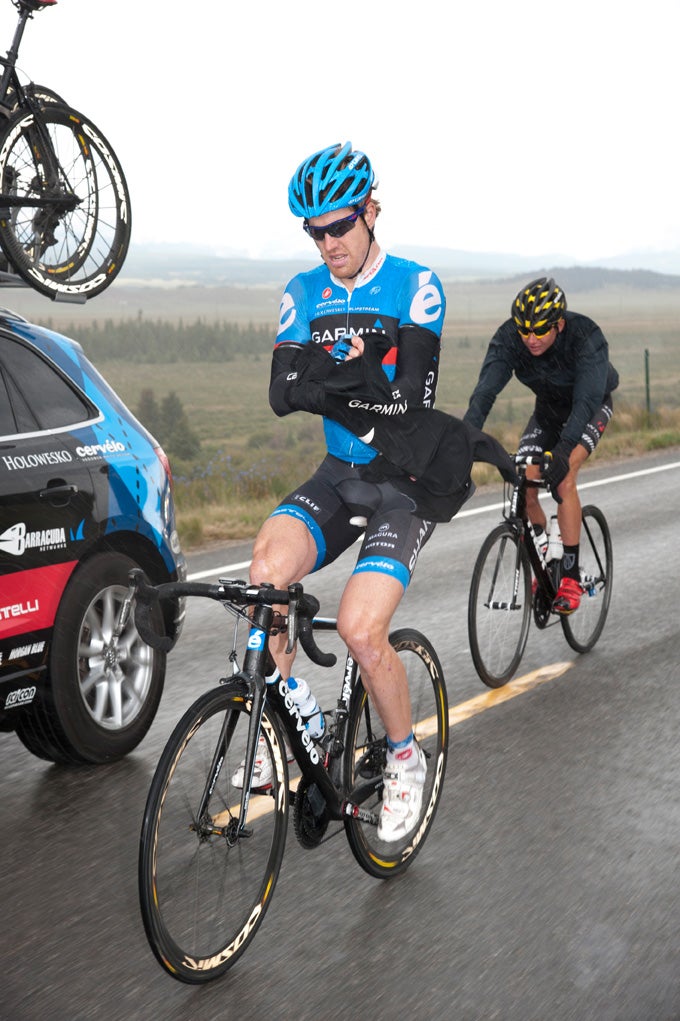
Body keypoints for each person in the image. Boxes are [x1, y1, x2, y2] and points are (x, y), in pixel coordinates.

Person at [242, 141, 448, 843]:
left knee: (361, 629)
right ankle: (292, 710)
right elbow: (280, 394)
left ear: (371, 212)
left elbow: (406, 402)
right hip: (338, 475)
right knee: (264, 575)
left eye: (340, 225)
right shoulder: (303, 293)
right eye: (315, 229)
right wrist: (357, 380)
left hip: (404, 484)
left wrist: (335, 384)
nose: (328, 242)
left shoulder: (418, 286)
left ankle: (404, 756)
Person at [463, 276, 619, 614]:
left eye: (539, 331)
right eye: (524, 331)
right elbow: (485, 393)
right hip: (548, 411)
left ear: (559, 324)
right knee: (525, 479)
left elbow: (586, 400)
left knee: (562, 478)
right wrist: (464, 441)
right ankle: (548, 555)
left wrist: (563, 452)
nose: (530, 339)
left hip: (589, 408)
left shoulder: (585, 337)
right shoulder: (510, 339)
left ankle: (572, 577)